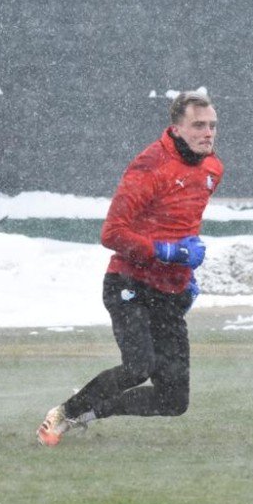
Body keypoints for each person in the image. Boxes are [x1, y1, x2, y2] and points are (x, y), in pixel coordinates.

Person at [36, 91, 223, 447]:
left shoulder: (213, 168)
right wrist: (166, 251)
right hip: (129, 283)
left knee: (173, 401)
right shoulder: (150, 166)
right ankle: (63, 412)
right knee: (138, 367)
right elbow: (112, 233)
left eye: (212, 125)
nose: (208, 133)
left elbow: (182, 222)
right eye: (198, 125)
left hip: (169, 290)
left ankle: (88, 410)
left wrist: (186, 273)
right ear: (176, 129)